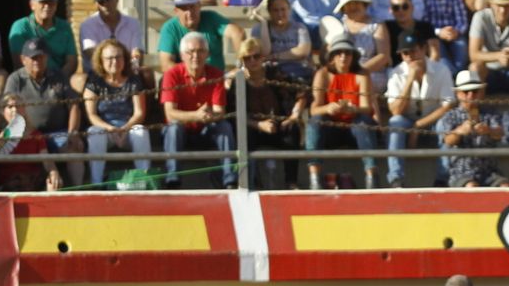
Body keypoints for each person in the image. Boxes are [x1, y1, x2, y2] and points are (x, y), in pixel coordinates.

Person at [160, 32, 238, 189]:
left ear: (207, 54)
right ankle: (172, 179)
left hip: (206, 128)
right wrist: (196, 115)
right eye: (190, 52)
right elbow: (170, 113)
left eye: (200, 51)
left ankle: (230, 179)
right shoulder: (171, 75)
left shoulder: (216, 74)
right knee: (174, 127)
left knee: (224, 126)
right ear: (182, 55)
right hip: (181, 130)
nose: (195, 56)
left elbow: (219, 112)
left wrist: (208, 115)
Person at [5, 38, 85, 189]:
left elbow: (73, 104)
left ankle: (79, 189)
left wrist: (73, 132)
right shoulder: (15, 79)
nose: (37, 61)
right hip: (28, 133)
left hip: (57, 133)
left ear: (47, 58)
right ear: (23, 59)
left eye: (41, 56)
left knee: (75, 147)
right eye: (33, 57)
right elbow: (8, 107)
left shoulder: (58, 76)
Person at [306, 32, 378, 189]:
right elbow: (314, 109)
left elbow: (367, 108)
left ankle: (371, 176)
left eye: (347, 53)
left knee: (362, 122)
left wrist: (353, 109)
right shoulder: (322, 74)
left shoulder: (362, 75)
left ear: (353, 56)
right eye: (339, 53)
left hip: (354, 129)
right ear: (332, 56)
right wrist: (328, 108)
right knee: (315, 122)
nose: (343, 56)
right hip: (331, 129)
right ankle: (314, 177)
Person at [236, 36, 307, 190]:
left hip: (279, 124)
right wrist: (258, 125)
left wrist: (294, 115)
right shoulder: (238, 81)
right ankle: (250, 183)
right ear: (242, 60)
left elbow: (301, 92)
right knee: (243, 134)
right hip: (253, 126)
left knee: (292, 130)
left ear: (263, 57)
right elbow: (233, 114)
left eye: (256, 56)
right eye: (247, 58)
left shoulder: (275, 74)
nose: (252, 61)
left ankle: (291, 182)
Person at [385, 31, 454, 187]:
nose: (410, 57)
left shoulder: (441, 70)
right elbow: (395, 111)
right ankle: (396, 179)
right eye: (405, 53)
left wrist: (418, 126)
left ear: (424, 49)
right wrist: (410, 79)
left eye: (413, 51)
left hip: (433, 121)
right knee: (396, 122)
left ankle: (442, 179)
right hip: (406, 120)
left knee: (445, 124)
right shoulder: (396, 74)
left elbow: (447, 106)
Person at [84, 38, 152, 188]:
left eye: (118, 57)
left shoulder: (133, 80)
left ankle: (144, 180)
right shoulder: (94, 80)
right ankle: (97, 182)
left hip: (128, 128)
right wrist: (111, 129)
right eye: (109, 58)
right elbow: (91, 114)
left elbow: (139, 113)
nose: (114, 61)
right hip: (105, 129)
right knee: (94, 133)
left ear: (125, 59)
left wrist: (124, 129)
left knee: (141, 132)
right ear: (101, 61)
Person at [437, 68, 509, 186]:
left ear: (481, 93)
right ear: (459, 94)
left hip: (489, 171)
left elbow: (500, 133)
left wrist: (489, 130)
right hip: (461, 171)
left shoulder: (490, 113)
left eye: (475, 91)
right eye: (466, 92)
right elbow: (448, 141)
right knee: (471, 187)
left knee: (506, 187)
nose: (471, 95)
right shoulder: (451, 115)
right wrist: (460, 131)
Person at [160, 0, 247, 72]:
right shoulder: (169, 28)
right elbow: (166, 65)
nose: (189, 12)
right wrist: (195, 74)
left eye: (192, 6)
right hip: (185, 81)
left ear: (199, 6)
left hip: (217, 80)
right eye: (184, 8)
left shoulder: (211, 18)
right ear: (176, 11)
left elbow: (238, 33)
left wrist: (240, 66)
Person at [80, 0, 147, 87]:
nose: (106, 4)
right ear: (96, 4)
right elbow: (91, 54)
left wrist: (127, 67)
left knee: (147, 74)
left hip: (127, 70)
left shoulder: (133, 23)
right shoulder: (87, 25)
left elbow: (137, 51)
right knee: (80, 80)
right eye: (101, 2)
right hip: (98, 73)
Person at [7, 0, 78, 80]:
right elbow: (19, 62)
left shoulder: (64, 27)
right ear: (32, 5)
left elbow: (71, 61)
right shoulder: (20, 27)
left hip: (59, 79)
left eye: (51, 2)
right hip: (29, 79)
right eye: (43, 2)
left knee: (79, 80)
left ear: (56, 5)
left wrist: (59, 79)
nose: (47, 6)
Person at [0, 94, 51, 192]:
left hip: (32, 183)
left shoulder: (36, 135)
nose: (14, 110)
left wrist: (53, 173)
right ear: (3, 112)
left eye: (18, 106)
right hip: (8, 185)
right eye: (10, 107)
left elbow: (48, 161)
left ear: (24, 110)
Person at [420, 0, 472, 70]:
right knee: (442, 60)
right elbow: (423, 23)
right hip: (434, 35)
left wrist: (456, 31)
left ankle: (459, 75)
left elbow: (462, 20)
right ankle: (451, 77)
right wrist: (439, 32)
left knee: (462, 51)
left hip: (454, 34)